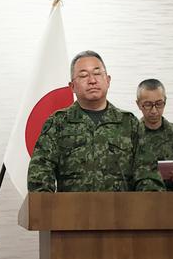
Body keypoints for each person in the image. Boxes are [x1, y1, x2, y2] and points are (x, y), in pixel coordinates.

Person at [27, 50, 164, 192]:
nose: (92, 80)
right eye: (83, 75)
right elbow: (39, 174)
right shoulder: (58, 123)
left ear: (108, 80)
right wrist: (46, 204)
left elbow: (148, 175)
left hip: (121, 206)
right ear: (72, 86)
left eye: (97, 73)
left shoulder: (129, 123)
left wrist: (147, 202)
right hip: (72, 206)